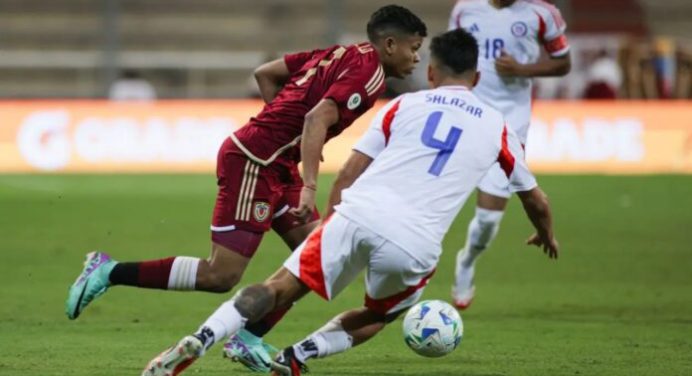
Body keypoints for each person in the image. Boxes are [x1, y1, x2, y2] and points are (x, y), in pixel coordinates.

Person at [141, 28, 558, 376]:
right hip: (415, 243)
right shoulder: (498, 127)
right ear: (478, 77)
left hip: (358, 214)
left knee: (277, 287)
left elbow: (349, 171)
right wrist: (545, 234)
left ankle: (201, 339)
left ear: (431, 73)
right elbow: (535, 199)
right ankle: (296, 356)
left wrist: (333, 222)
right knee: (379, 314)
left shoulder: (402, 106)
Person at [65, 4, 427, 373]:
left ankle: (248, 339)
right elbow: (316, 117)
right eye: (414, 48)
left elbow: (265, 73)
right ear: (390, 44)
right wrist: (307, 183)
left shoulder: (341, 53)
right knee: (220, 275)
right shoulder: (370, 76)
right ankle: (108, 271)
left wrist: (282, 131)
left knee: (313, 257)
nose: (417, 58)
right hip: (253, 162)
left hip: (276, 162)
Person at [447, 0, 571, 309]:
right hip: (466, 113)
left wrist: (523, 69)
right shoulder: (465, 9)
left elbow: (563, 62)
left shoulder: (543, 13)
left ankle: (467, 260)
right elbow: (451, 55)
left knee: (488, 220)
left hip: (509, 123)